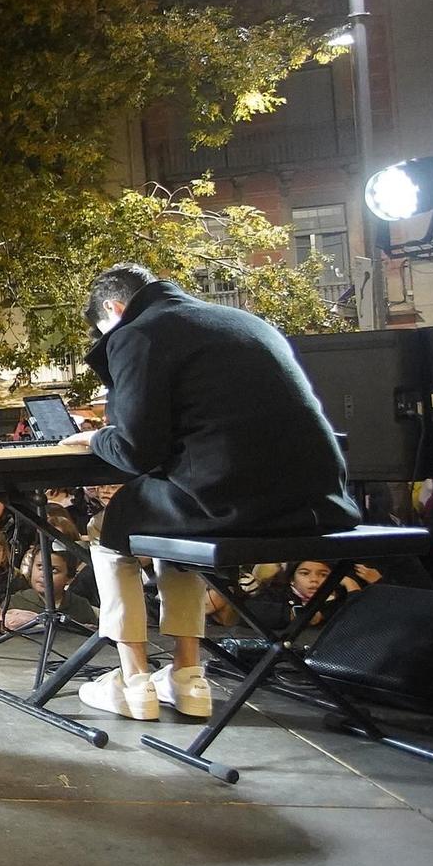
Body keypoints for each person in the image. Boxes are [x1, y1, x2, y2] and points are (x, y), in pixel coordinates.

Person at [62, 262, 360, 721]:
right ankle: (187, 676)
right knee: (165, 528)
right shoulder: (245, 321)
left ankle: (134, 679)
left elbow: (136, 450)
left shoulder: (136, 332)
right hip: (321, 501)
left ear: (113, 308)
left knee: (114, 524)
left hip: (233, 502)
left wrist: (94, 438)